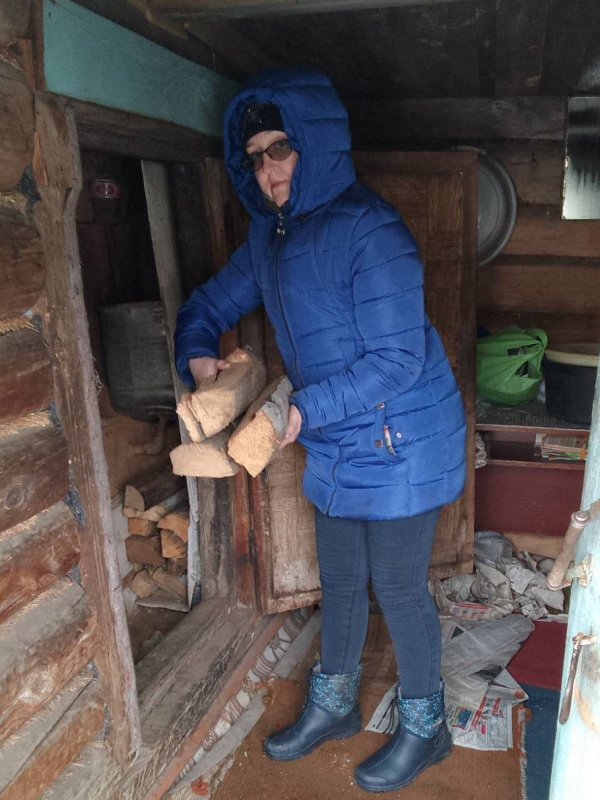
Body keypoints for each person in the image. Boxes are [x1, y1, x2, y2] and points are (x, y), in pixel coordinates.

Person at [175, 67, 466, 793]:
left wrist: (302, 412)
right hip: (336, 437)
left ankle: (427, 727)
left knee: (397, 586)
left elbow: (397, 361)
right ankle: (334, 706)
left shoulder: (372, 230)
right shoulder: (268, 239)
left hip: (403, 441)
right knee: (337, 579)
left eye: (280, 149)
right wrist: (200, 354)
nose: (267, 169)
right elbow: (210, 303)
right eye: (255, 157)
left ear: (315, 145)